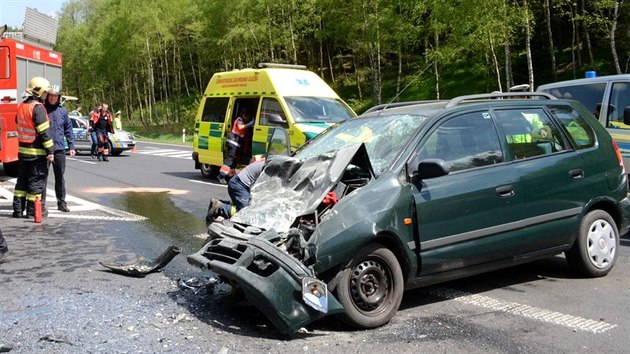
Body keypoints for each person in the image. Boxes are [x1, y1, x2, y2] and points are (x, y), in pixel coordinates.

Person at [12, 76, 55, 218]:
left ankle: (18, 210)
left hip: (22, 152)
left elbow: (18, 123)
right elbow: (44, 133)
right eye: (45, 92)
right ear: (39, 92)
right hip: (37, 153)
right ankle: (32, 212)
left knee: (21, 182)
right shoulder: (38, 108)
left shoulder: (22, 106)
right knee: (35, 183)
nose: (46, 95)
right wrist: (50, 151)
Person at [43, 84, 76, 212]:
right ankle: (41, 205)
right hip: (45, 149)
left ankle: (61, 203)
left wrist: (71, 146)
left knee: (60, 178)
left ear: (58, 97)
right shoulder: (42, 109)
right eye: (50, 96)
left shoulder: (63, 111)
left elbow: (68, 129)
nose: (52, 98)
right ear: (47, 96)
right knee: (43, 178)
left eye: (55, 96)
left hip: (59, 149)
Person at [207, 156, 265, 225]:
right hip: (238, 185)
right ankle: (221, 207)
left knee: (252, 206)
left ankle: (224, 203)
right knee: (246, 213)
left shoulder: (266, 162)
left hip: (240, 184)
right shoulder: (268, 168)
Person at [218, 107, 254, 183]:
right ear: (244, 115)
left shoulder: (243, 121)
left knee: (234, 161)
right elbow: (240, 127)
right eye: (247, 116)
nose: (247, 118)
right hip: (233, 142)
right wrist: (249, 124)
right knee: (229, 160)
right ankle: (221, 176)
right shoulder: (240, 120)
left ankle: (230, 177)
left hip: (236, 144)